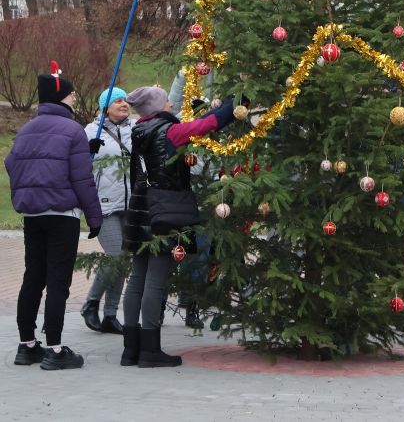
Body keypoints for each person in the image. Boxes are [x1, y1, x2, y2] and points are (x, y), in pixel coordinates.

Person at [121, 85, 236, 368]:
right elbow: (209, 123)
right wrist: (236, 102)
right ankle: (150, 350)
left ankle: (131, 349)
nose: (172, 105)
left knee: (137, 279)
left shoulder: (139, 130)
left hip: (140, 209)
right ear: (159, 108)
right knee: (155, 280)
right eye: (167, 102)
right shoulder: (169, 132)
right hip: (165, 212)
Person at [7, 61, 102, 370]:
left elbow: (11, 163)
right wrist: (95, 217)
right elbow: (82, 180)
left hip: (33, 214)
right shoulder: (72, 130)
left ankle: (27, 345)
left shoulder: (26, 130)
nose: (75, 98)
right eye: (72, 94)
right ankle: (56, 349)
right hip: (63, 214)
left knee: (32, 275)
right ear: (62, 96)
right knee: (58, 280)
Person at [80, 87, 134, 335]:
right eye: (118, 101)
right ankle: (91, 303)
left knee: (124, 260)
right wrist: (88, 150)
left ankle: (110, 314)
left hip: (132, 204)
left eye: (125, 100)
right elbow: (80, 165)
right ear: (105, 107)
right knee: (114, 255)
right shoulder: (91, 131)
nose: (124, 104)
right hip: (105, 204)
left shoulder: (135, 129)